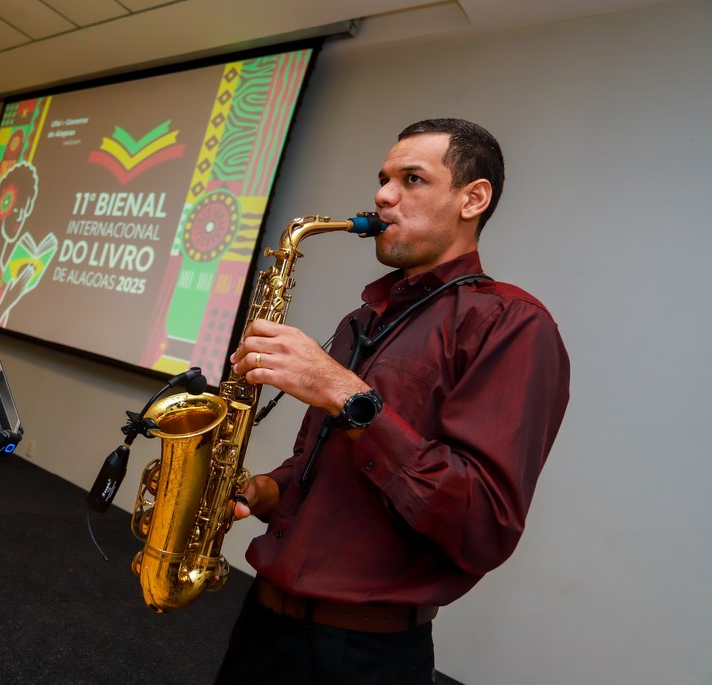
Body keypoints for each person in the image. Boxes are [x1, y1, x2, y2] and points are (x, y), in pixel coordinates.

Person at [214, 118, 570, 684]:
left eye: (412, 179)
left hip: (362, 655)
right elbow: (326, 470)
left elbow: (481, 520)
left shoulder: (512, 325)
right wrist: (265, 490)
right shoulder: (364, 320)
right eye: (383, 178)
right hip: (263, 623)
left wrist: (343, 391)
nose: (382, 195)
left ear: (473, 199)